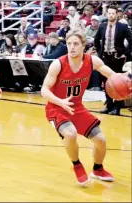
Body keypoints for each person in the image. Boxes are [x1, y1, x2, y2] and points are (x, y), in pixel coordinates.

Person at [41, 30, 131, 186]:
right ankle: (77, 165)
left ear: (84, 45)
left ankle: (98, 169)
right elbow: (44, 90)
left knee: (101, 140)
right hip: (56, 108)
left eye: (76, 44)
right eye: (69, 43)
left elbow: (113, 76)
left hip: (77, 107)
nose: (72, 47)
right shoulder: (58, 64)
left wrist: (124, 80)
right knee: (70, 134)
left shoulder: (92, 61)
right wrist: (60, 101)